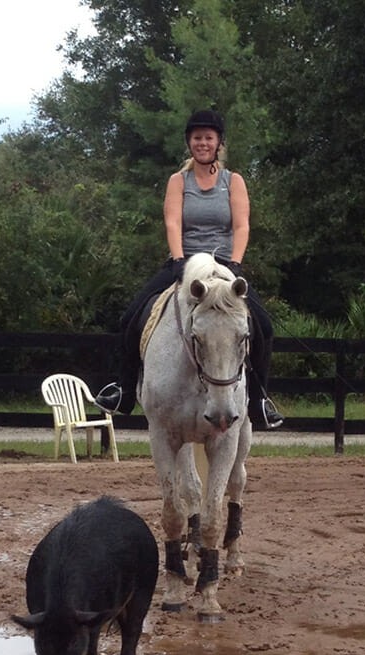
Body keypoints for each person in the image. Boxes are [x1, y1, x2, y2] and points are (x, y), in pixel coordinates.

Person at [96, 108, 283, 429]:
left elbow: (242, 226)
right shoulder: (178, 181)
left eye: (208, 138)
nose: (202, 143)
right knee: (130, 318)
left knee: (263, 326)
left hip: (224, 266)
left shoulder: (233, 182)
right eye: (197, 138)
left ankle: (259, 400)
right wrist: (179, 258)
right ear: (189, 142)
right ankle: (124, 391)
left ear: (218, 143)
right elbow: (172, 222)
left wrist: (235, 262)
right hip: (184, 263)